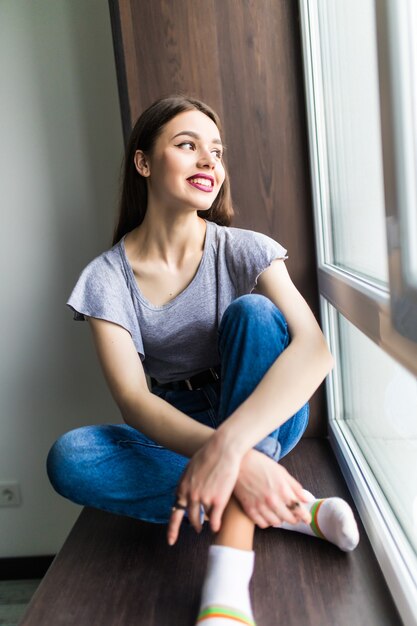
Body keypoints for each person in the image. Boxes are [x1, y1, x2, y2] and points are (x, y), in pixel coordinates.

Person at [47, 95, 359, 626]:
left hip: (265, 410)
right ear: (144, 162)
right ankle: (289, 507)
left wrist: (232, 445)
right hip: (176, 425)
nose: (209, 161)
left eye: (216, 151)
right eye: (187, 146)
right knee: (70, 457)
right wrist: (231, 454)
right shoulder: (106, 278)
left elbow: (314, 348)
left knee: (256, 315)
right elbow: (133, 400)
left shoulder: (243, 248)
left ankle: (227, 582)